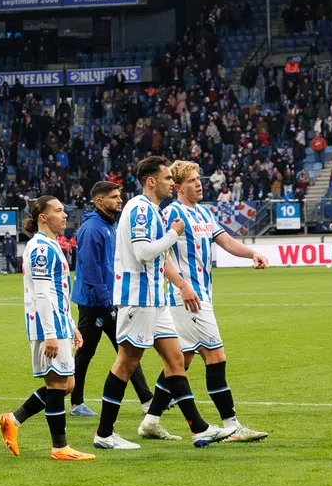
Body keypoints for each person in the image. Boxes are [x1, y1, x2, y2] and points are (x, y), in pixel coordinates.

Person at [90, 156, 228, 450]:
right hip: (138, 298)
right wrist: (173, 234)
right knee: (126, 362)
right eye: (167, 179)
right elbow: (143, 253)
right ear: (151, 181)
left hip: (156, 298)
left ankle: (199, 429)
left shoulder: (152, 209)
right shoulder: (141, 209)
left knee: (175, 359)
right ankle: (104, 434)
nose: (171, 183)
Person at [141, 161, 271, 443]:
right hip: (186, 298)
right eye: (191, 180)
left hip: (200, 295)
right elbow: (159, 256)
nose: (199, 184)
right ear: (177, 187)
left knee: (182, 361)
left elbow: (226, 242)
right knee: (215, 356)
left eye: (199, 179)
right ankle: (232, 425)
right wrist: (183, 285)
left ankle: (150, 420)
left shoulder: (203, 213)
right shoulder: (172, 213)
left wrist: (252, 254)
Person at [0, 196, 95, 461]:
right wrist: (50, 333)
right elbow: (41, 293)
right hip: (46, 325)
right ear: (43, 217)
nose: (65, 215)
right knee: (57, 383)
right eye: (59, 211)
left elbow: (57, 292)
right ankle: (59, 447)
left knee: (67, 384)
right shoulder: (41, 247)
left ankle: (13, 420)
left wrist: (71, 325)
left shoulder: (51, 244)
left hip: (59, 322)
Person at [69, 180, 153, 417]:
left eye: (119, 196)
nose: (120, 200)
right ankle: (76, 403)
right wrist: (108, 303)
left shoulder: (110, 226)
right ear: (100, 201)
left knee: (126, 349)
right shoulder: (91, 229)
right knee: (87, 352)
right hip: (94, 304)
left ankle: (147, 399)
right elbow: (91, 271)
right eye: (114, 197)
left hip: (109, 301)